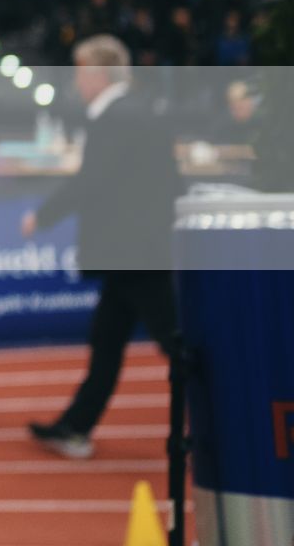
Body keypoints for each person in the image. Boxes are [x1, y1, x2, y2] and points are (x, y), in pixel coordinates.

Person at [22, 35, 182, 458]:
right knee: (108, 343)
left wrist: (44, 215)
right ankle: (75, 426)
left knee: (175, 343)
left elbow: (92, 182)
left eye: (80, 71)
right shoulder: (133, 111)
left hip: (135, 252)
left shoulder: (117, 117)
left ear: (97, 73)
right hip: (134, 250)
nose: (76, 80)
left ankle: (229, 422)